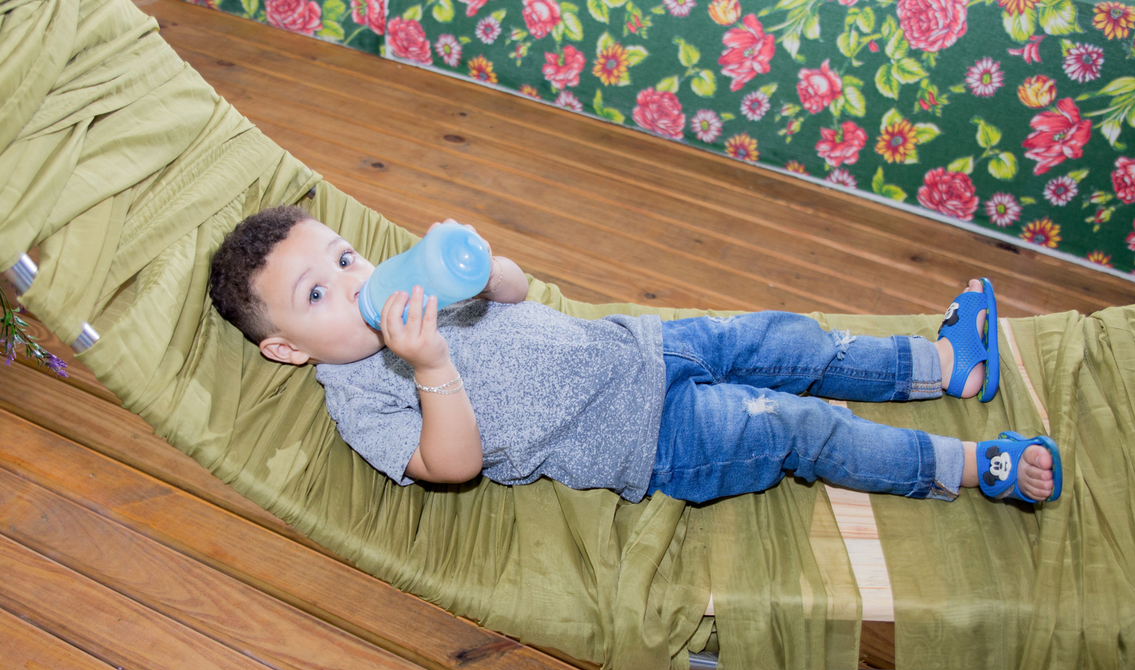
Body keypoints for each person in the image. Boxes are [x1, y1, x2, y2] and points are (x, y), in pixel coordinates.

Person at [208, 205, 1061, 506]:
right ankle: (970, 468)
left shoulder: (409, 290)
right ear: (285, 348)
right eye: (318, 294)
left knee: (785, 337)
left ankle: (947, 368)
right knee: (804, 429)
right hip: (651, 440)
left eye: (345, 258)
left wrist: (482, 262)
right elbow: (449, 468)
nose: (350, 282)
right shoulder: (358, 396)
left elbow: (515, 291)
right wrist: (430, 366)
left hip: (643, 346)